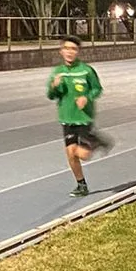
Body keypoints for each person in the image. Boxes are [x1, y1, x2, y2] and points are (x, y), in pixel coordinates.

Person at [47, 36, 110, 195]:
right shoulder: (58, 72)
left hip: (83, 117)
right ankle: (81, 185)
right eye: (66, 48)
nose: (70, 52)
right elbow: (51, 95)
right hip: (67, 118)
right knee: (71, 154)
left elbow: (97, 89)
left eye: (73, 49)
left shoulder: (86, 70)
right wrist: (54, 86)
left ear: (78, 51)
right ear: (61, 51)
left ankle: (98, 141)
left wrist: (86, 98)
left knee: (83, 155)